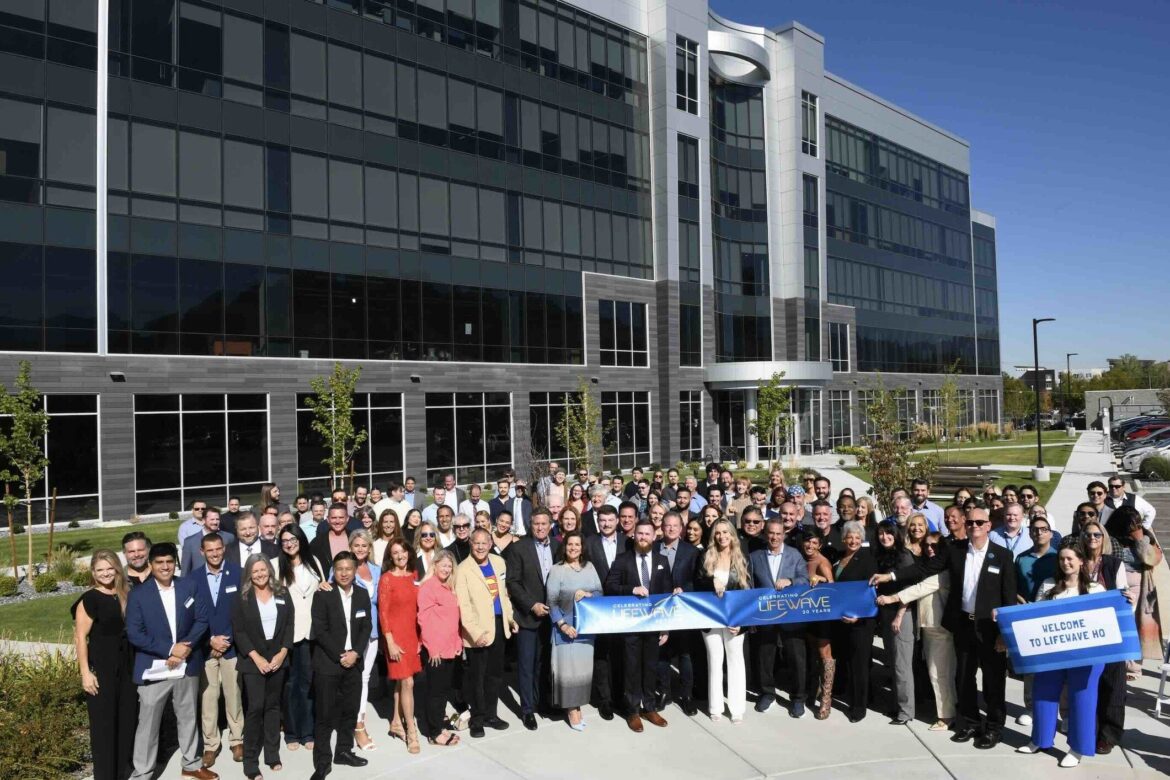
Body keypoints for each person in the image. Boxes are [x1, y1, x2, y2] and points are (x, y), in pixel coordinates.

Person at [873, 507, 1017, 748]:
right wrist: (891, 577)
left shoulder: (1002, 555)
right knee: (964, 678)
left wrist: (1005, 633)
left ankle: (994, 728)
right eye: (970, 522)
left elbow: (1009, 596)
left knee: (993, 681)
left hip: (989, 629)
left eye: (979, 522)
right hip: (963, 624)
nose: (974, 526)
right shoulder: (955, 550)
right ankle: (970, 723)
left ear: (988, 525)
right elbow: (924, 569)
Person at [125, 542, 214, 780]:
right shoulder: (138, 594)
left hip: (186, 665)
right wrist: (170, 650)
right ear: (151, 565)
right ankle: (142, 773)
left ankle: (191, 764)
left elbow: (202, 620)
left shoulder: (189, 586)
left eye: (169, 562)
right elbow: (134, 633)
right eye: (159, 563)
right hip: (155, 669)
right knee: (148, 725)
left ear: (175, 563)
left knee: (188, 717)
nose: (165, 567)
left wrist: (185, 648)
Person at [1016, 544, 1106, 767]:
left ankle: (1077, 749)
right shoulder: (1049, 584)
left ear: (1081, 561)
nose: (1066, 563)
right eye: (1062, 559)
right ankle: (1039, 740)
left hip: (1086, 656)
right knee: (1043, 694)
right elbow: (1036, 614)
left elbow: (1108, 616)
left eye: (1070, 559)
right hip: (1052, 654)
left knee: (1082, 701)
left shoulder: (1095, 588)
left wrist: (1127, 600)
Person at [877, 531, 955, 731]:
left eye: (935, 546)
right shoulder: (927, 567)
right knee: (936, 672)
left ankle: (946, 717)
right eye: (926, 545)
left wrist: (892, 598)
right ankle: (947, 709)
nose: (930, 549)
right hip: (927, 626)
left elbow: (920, 588)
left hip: (939, 628)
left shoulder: (944, 571)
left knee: (939, 673)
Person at [72, 549, 135, 780]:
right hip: (103, 669)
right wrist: (85, 673)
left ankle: (120, 774)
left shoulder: (125, 593)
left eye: (110, 568)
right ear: (93, 572)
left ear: (117, 568)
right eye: (100, 570)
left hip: (127, 667)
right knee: (104, 727)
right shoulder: (89, 599)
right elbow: (80, 637)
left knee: (126, 722)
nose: (106, 573)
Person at [605, 518, 672, 732]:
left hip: (653, 625)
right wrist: (631, 590)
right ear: (634, 535)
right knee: (631, 668)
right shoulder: (622, 560)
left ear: (654, 536)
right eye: (640, 533)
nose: (643, 537)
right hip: (631, 625)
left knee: (650, 667)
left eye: (647, 534)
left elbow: (666, 595)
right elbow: (610, 586)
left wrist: (665, 627)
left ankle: (649, 707)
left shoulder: (662, 560)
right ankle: (632, 711)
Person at [310, 551, 371, 779]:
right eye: (339, 569)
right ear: (333, 571)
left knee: (349, 710)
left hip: (354, 663)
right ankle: (322, 762)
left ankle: (344, 751)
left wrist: (356, 653)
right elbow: (320, 630)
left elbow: (366, 626)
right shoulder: (323, 595)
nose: (344, 573)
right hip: (329, 663)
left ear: (355, 571)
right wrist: (340, 655)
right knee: (325, 715)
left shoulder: (362, 595)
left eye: (348, 569)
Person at [233, 554, 293, 780]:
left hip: (278, 657)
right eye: (255, 571)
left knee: (273, 707)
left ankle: (272, 754)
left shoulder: (282, 593)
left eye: (263, 569)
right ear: (249, 574)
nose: (259, 574)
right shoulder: (242, 597)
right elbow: (239, 631)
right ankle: (250, 761)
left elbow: (289, 624)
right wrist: (256, 658)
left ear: (269, 569)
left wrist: (283, 653)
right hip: (253, 660)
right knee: (256, 708)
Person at [455, 528, 518, 738]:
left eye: (484, 543)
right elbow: (463, 606)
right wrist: (474, 633)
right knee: (477, 678)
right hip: (478, 631)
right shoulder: (463, 569)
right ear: (471, 544)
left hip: (498, 626)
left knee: (494, 675)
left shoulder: (499, 562)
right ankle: (477, 719)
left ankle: (491, 715)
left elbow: (504, 596)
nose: (480, 547)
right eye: (476, 543)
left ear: (491, 544)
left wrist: (510, 619)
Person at [505, 507, 560, 730]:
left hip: (551, 617)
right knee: (526, 665)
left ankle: (542, 702)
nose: (540, 527)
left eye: (544, 523)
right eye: (536, 523)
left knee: (544, 663)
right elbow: (513, 582)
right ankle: (527, 710)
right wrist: (531, 605)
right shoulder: (519, 548)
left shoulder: (557, 546)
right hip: (528, 616)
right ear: (531, 524)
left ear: (550, 525)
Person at [1078, 518, 1130, 755]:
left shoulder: (1114, 564)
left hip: (1110, 632)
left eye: (1097, 535)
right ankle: (1088, 728)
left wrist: (1127, 599)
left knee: (1113, 684)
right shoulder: (1076, 561)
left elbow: (1122, 595)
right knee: (1088, 684)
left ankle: (1108, 735)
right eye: (1088, 534)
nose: (1092, 538)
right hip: (1082, 633)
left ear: (1104, 538)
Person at [191, 533, 244, 766]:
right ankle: (210, 745)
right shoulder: (192, 579)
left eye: (218, 549)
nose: (215, 554)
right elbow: (191, 617)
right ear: (202, 552)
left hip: (231, 647)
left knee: (234, 695)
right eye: (210, 550)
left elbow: (243, 611)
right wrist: (210, 640)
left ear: (224, 549)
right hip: (206, 649)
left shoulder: (238, 573)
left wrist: (227, 640)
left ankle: (237, 740)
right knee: (208, 698)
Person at [750, 518, 810, 717]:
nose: (774, 537)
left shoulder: (795, 555)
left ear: (784, 535)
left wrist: (791, 581)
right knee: (765, 657)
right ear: (765, 534)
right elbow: (750, 586)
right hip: (765, 616)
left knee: (796, 658)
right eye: (771, 533)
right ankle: (767, 693)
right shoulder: (755, 557)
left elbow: (805, 580)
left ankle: (798, 698)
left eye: (778, 533)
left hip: (791, 615)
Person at [694, 520, 751, 723]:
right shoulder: (706, 556)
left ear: (732, 534)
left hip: (735, 619)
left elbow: (748, 594)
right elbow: (696, 583)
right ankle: (715, 707)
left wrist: (742, 623)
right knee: (715, 660)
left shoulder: (742, 558)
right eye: (717, 533)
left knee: (736, 661)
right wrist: (712, 581)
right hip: (711, 618)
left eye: (725, 532)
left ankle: (737, 709)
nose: (722, 536)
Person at [276, 524, 326, 753]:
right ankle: (291, 732)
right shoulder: (276, 566)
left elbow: (321, 586)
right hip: (288, 634)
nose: (289, 544)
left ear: (301, 540)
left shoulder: (313, 562)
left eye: (293, 539)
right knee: (290, 685)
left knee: (307, 683)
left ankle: (308, 731)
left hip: (311, 633)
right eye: (285, 540)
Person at [547, 531, 603, 730]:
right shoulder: (557, 570)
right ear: (565, 547)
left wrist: (587, 594)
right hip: (565, 629)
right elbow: (551, 602)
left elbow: (600, 593)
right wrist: (562, 625)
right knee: (568, 672)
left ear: (582, 547)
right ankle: (571, 710)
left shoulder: (590, 567)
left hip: (585, 629)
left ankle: (577, 705)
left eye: (577, 544)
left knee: (582, 671)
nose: (573, 548)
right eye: (570, 544)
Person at [1105, 505, 1165, 669]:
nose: (1136, 527)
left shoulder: (1146, 536)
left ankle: (1134, 666)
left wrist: (1139, 539)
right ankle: (1118, 663)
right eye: (1132, 524)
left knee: (1136, 624)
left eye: (1138, 523)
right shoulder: (1110, 537)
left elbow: (1152, 559)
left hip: (1139, 584)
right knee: (1119, 623)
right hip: (1116, 583)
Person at [379, 539, 424, 755]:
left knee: (402, 681)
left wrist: (421, 638)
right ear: (390, 556)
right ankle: (411, 731)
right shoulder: (387, 579)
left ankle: (396, 722)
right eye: (395, 552)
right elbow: (383, 613)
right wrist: (390, 642)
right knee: (408, 682)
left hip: (412, 635)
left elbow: (419, 608)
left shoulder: (414, 575)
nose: (400, 556)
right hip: (395, 638)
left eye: (403, 551)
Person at [831, 521, 878, 723]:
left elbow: (870, 591)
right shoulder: (838, 558)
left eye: (857, 538)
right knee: (847, 661)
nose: (853, 541)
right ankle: (848, 694)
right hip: (841, 619)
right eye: (849, 537)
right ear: (843, 539)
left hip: (860, 621)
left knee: (860, 665)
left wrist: (859, 614)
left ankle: (859, 707)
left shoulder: (868, 560)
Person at [654, 511, 700, 715]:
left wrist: (685, 589)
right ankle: (664, 692)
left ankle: (686, 695)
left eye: (675, 525)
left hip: (683, 610)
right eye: (667, 525)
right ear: (662, 527)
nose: (671, 529)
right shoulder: (653, 548)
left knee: (685, 654)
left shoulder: (691, 551)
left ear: (681, 528)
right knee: (662, 653)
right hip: (660, 609)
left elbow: (697, 580)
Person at [583, 504, 626, 720]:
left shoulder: (628, 542)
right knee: (601, 654)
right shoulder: (589, 543)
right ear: (597, 521)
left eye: (610, 520)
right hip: (598, 606)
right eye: (602, 520)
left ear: (617, 521)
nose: (606, 524)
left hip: (622, 605)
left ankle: (620, 696)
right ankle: (604, 700)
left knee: (621, 653)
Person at [416, 550, 462, 747]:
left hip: (450, 646)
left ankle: (440, 725)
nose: (446, 569)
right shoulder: (428, 587)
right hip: (435, 649)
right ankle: (434, 732)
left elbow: (454, 619)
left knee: (443, 690)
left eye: (449, 566)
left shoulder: (449, 587)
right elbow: (423, 619)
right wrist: (432, 648)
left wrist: (458, 643)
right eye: (443, 565)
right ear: (434, 565)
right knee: (435, 692)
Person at [873, 520, 915, 725]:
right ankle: (897, 705)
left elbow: (910, 589)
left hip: (902, 613)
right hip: (886, 613)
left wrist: (899, 615)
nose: (885, 537)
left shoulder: (904, 556)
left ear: (896, 535)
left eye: (888, 533)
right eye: (881, 533)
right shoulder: (880, 556)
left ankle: (906, 711)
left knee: (901, 665)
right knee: (892, 661)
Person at [347, 530, 382, 752]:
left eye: (364, 545)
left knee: (364, 678)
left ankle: (359, 723)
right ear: (350, 547)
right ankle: (353, 723)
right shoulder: (343, 568)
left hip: (373, 632)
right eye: (356, 545)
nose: (360, 549)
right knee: (351, 678)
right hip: (351, 631)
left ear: (369, 548)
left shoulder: (377, 570)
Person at [180, 507, 236, 574]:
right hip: (199, 579)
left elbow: (234, 562)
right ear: (203, 520)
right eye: (212, 519)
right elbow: (185, 570)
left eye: (217, 519)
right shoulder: (190, 542)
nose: (215, 522)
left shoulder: (229, 538)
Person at [310, 503, 354, 577]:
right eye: (333, 518)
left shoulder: (355, 538)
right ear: (328, 519)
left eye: (341, 517)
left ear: (347, 519)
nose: (337, 521)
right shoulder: (317, 542)